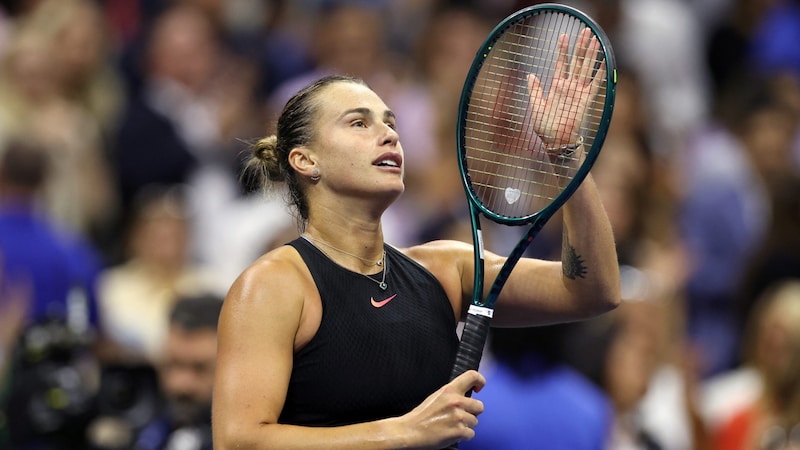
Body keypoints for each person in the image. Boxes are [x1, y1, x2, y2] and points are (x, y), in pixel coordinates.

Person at [212, 71, 620, 449]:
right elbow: (238, 440)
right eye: (359, 123)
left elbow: (592, 290)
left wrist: (566, 151)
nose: (388, 134)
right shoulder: (273, 285)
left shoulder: (445, 269)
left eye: (390, 122)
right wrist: (403, 431)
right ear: (306, 160)